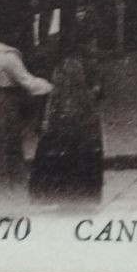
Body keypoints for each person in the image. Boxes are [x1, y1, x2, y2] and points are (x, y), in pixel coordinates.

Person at [0, 20, 52, 204]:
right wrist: (49, 86)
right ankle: (7, 195)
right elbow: (27, 82)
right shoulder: (9, 58)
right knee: (8, 146)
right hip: (4, 103)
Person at [29, 55, 103, 209]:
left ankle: (60, 195)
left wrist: (45, 123)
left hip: (62, 132)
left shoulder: (56, 96)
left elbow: (49, 113)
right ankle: (83, 196)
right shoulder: (86, 97)